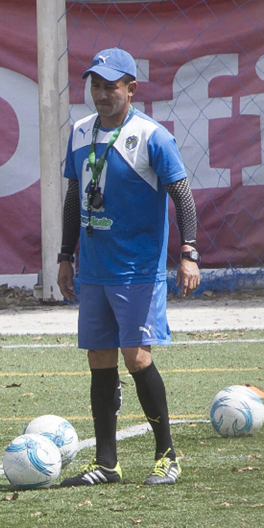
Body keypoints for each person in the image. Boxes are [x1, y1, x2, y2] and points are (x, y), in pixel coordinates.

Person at [58, 47, 200, 487]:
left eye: (111, 86)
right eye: (95, 85)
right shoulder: (81, 132)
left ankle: (166, 455)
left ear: (131, 89)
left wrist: (189, 251)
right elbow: (73, 196)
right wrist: (66, 256)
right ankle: (107, 462)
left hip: (137, 268)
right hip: (94, 269)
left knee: (136, 357)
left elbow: (182, 194)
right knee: (99, 360)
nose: (101, 94)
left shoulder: (152, 136)